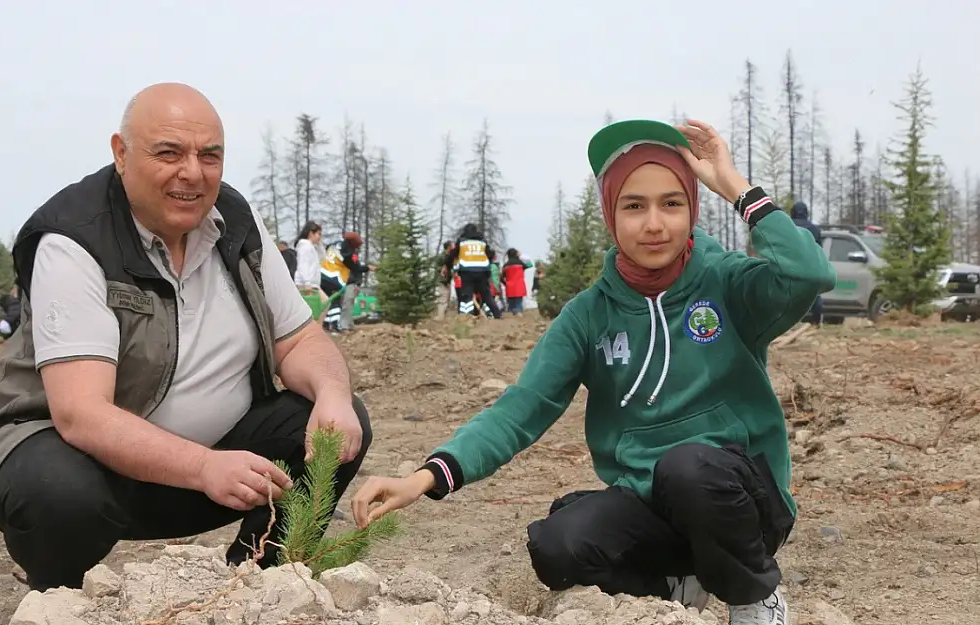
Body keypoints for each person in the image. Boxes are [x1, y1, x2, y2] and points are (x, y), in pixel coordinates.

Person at [352, 119, 835, 625]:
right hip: (654, 506)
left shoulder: (729, 284)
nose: (654, 223)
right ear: (610, 214)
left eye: (672, 203)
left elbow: (809, 273)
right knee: (557, 544)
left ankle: (754, 599)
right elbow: (521, 409)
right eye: (634, 205)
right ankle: (680, 584)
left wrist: (733, 185)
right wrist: (427, 476)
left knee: (689, 467)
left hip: (742, 504)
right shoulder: (589, 315)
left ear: (693, 208)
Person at [0, 83, 369, 592]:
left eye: (209, 155)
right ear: (121, 153)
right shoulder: (75, 240)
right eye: (168, 153)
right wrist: (202, 467)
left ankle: (258, 587)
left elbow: (298, 339)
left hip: (214, 471)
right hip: (98, 474)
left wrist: (332, 394)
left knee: (338, 421)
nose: (192, 173)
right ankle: (60, 599)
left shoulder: (235, 224)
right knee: (54, 491)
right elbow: (80, 414)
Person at [447, 223, 500, 318]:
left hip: (467, 271)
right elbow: (490, 254)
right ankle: (496, 315)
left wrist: (447, 265)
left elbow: (453, 254)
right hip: (482, 272)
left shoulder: (461, 241)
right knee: (486, 294)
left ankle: (467, 316)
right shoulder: (482, 241)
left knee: (467, 294)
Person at [318, 232, 366, 333]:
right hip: (336, 279)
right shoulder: (350, 255)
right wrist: (367, 268)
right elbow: (357, 268)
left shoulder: (334, 245)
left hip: (323, 275)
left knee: (329, 301)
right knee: (336, 303)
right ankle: (335, 326)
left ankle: (327, 324)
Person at [790, 201, 823, 325]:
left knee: (790, 294)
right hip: (810, 266)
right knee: (814, 293)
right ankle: (816, 321)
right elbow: (819, 248)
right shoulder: (814, 229)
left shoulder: (788, 226)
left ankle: (790, 322)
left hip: (791, 265)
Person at [293, 221, 323, 294]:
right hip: (305, 283)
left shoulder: (312, 247)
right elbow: (303, 265)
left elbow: (322, 257)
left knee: (323, 303)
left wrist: (320, 245)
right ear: (311, 233)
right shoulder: (305, 246)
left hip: (312, 284)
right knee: (324, 302)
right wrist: (307, 282)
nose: (320, 237)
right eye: (319, 234)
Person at [502, 248, 533, 316]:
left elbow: (501, 277)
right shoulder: (520, 263)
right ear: (516, 254)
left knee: (511, 304)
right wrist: (522, 255)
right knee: (519, 303)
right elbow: (530, 264)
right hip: (519, 285)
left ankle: (514, 314)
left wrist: (506, 284)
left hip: (509, 287)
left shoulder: (506, 265)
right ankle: (519, 313)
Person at [435, 240, 456, 320]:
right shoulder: (442, 256)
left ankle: (444, 316)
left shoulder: (450, 257)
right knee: (443, 298)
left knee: (447, 298)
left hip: (447, 280)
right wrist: (442, 269)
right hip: (441, 280)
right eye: (452, 245)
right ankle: (440, 317)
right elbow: (437, 266)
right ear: (449, 247)